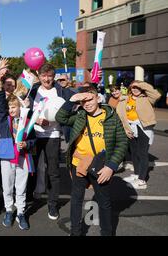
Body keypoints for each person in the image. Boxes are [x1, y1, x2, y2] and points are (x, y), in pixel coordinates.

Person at [55, 84, 127, 236]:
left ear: (98, 99)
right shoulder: (80, 116)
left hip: (101, 166)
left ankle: (107, 232)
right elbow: (60, 117)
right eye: (83, 101)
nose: (86, 103)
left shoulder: (111, 117)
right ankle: (75, 232)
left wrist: (111, 166)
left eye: (90, 99)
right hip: (78, 164)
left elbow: (122, 143)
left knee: (104, 202)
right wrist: (72, 100)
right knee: (76, 199)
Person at [27, 63, 75, 220]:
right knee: (31, 168)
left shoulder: (61, 91)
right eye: (43, 76)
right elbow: (22, 106)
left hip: (52, 135)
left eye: (49, 76)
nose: (46, 79)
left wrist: (55, 121)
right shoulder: (32, 90)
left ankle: (53, 205)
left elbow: (75, 100)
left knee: (53, 171)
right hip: (33, 135)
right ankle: (29, 197)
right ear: (39, 75)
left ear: (54, 76)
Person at [0, 76, 36, 230]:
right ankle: (8, 210)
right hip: (7, 155)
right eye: (9, 108)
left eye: (14, 107)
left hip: (22, 157)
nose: (11, 110)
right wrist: (0, 86)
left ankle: (20, 212)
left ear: (20, 107)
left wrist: (26, 143)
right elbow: (1, 104)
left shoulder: (26, 122)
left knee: (21, 186)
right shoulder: (3, 120)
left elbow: (33, 141)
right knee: (7, 185)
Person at [116, 80, 161, 189]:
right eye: (133, 87)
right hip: (130, 127)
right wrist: (126, 129)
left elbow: (156, 94)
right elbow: (120, 115)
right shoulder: (125, 99)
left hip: (143, 128)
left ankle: (142, 181)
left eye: (138, 87)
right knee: (134, 153)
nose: (135, 89)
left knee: (142, 153)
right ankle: (136, 175)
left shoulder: (147, 98)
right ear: (130, 89)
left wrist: (140, 84)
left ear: (142, 88)